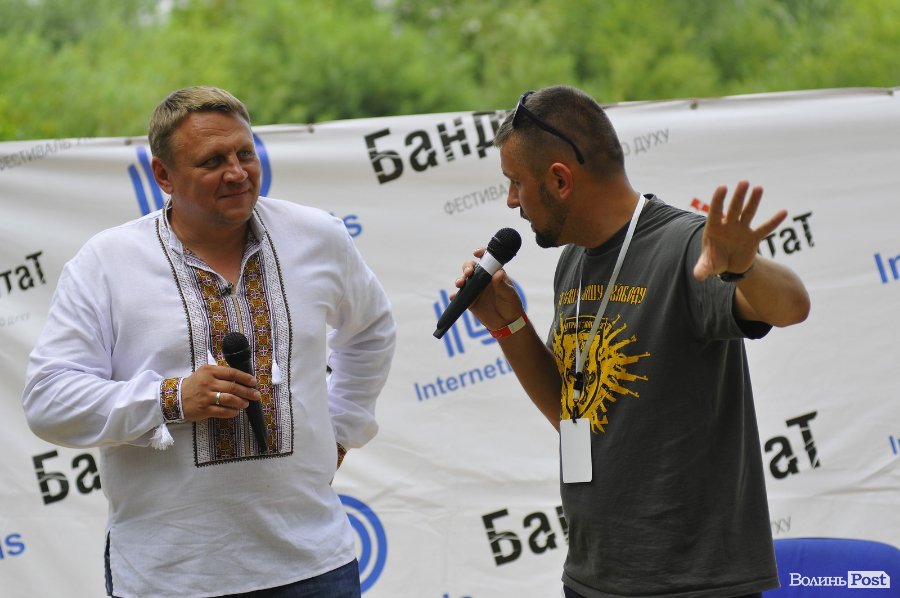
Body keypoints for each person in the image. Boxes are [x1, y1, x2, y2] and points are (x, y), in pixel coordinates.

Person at [22, 86, 396, 598]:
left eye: (245, 153)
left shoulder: (317, 236)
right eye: (213, 161)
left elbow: (371, 330)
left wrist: (342, 431)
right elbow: (48, 399)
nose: (237, 173)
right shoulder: (106, 264)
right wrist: (171, 398)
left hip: (313, 563)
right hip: (171, 576)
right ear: (163, 176)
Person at [455, 86, 810, 597]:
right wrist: (507, 325)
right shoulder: (574, 260)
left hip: (693, 585)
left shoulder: (686, 246)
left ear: (559, 180)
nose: (512, 201)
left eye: (516, 183)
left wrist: (745, 267)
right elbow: (574, 413)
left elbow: (791, 306)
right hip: (592, 578)